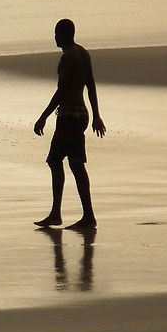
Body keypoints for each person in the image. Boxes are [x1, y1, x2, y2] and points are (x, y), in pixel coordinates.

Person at [34, 19, 105, 230]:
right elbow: (90, 85)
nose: (54, 37)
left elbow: (62, 91)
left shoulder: (68, 58)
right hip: (80, 114)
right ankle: (60, 214)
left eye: (56, 33)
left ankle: (85, 216)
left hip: (69, 117)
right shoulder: (83, 53)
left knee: (68, 163)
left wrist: (43, 116)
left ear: (64, 35)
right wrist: (96, 115)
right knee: (60, 161)